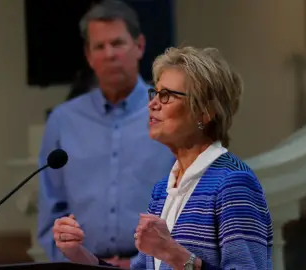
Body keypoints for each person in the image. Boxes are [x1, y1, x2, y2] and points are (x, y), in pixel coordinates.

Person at [53, 46, 274, 269]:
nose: (152, 104)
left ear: (205, 112)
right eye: (155, 93)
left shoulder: (234, 182)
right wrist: (80, 255)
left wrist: (172, 253)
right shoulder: (163, 190)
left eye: (167, 96)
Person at [37, 0, 174, 267]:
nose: (110, 54)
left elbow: (187, 205)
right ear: (88, 56)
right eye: (100, 46)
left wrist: (140, 264)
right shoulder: (63, 121)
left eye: (118, 43)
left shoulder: (169, 114)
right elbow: (52, 209)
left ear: (140, 46)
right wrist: (79, 259)